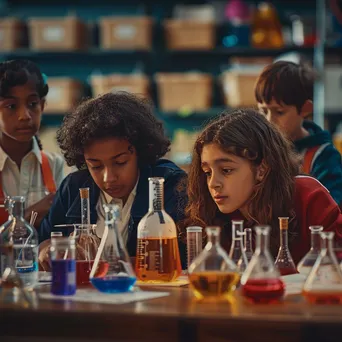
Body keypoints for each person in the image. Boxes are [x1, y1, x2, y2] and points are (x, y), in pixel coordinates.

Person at [39, 91, 187, 266]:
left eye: (120, 162)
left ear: (140, 152)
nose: (108, 178)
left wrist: (104, 264)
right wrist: (46, 251)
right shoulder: (73, 187)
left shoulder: (168, 184)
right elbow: (42, 244)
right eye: (96, 166)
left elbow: (176, 258)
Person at [182, 109, 342, 263]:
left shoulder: (309, 196)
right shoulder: (211, 215)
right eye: (207, 172)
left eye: (226, 170)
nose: (213, 183)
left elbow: (335, 269)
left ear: (262, 169)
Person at [255, 61, 342, 207]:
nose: (269, 120)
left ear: (305, 109)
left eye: (279, 112)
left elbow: (330, 208)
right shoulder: (257, 151)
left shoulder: (323, 156)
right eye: (263, 111)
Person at [0, 59, 64, 227]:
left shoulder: (54, 164)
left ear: (42, 106)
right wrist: (34, 212)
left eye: (32, 104)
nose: (25, 115)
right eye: (12, 106)